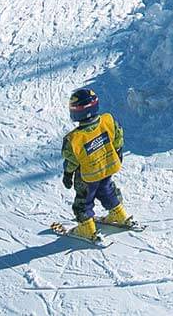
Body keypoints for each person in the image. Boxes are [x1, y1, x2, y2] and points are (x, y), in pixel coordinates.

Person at [61, 88, 138, 243]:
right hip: (107, 167)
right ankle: (119, 213)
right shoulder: (107, 120)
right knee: (106, 190)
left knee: (84, 200)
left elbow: (72, 162)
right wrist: (118, 152)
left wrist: (68, 175)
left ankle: (87, 227)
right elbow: (118, 137)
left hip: (87, 176)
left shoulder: (74, 138)